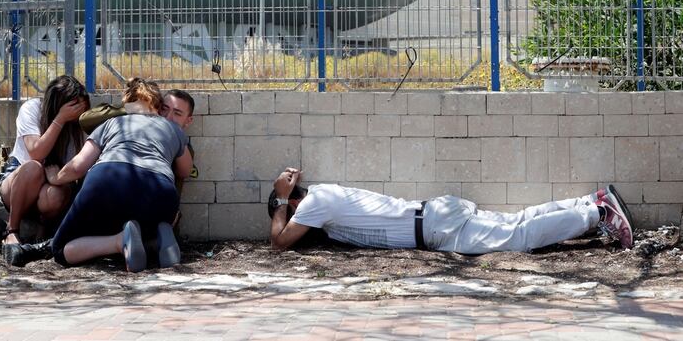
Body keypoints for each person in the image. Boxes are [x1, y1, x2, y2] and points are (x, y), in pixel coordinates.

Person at [268, 168, 634, 253]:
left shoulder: (314, 201)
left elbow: (279, 243)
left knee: (518, 238)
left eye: (289, 212)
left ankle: (599, 214)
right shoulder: (327, 206)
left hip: (432, 228)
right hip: (433, 217)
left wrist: (281, 200)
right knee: (516, 221)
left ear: (295, 203)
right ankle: (587, 202)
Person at [46, 78, 193, 272]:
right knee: (147, 218)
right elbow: (186, 170)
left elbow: (78, 167)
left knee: (60, 249)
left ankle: (118, 241)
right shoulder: (173, 128)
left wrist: (56, 177)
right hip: (160, 193)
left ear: (126, 103)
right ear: (158, 105)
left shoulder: (111, 123)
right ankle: (157, 238)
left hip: (108, 182)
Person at [0, 75, 89, 263]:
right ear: (57, 104)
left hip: (53, 183)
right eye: (73, 107)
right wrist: (60, 119)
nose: (78, 112)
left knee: (56, 194)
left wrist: (58, 178)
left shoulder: (79, 124)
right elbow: (36, 152)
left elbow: (79, 170)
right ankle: (12, 230)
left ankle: (44, 230)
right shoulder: (32, 109)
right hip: (20, 182)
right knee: (33, 168)